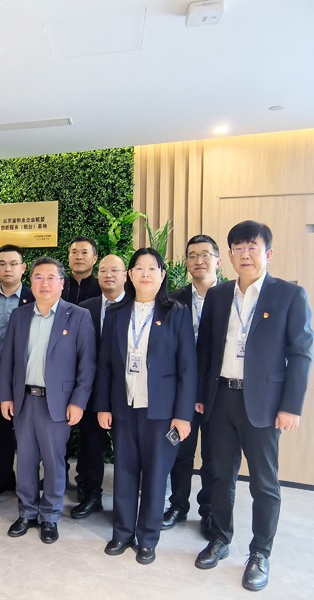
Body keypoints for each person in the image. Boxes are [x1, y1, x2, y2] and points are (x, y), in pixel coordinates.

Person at [194, 221, 313, 592]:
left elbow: (301, 353)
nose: (245, 255)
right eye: (238, 248)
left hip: (263, 403)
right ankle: (220, 537)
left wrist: (291, 406)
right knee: (218, 474)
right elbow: (205, 350)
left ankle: (260, 552)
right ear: (229, 255)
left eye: (252, 247)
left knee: (264, 482)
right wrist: (200, 394)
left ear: (268, 253)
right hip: (221, 398)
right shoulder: (218, 295)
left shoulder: (289, 295)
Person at [95, 247, 196, 565]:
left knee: (155, 475)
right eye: (139, 268)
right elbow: (105, 364)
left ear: (162, 275)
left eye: (152, 268)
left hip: (161, 412)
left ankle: (148, 539)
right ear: (130, 274)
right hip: (124, 406)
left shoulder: (177, 312)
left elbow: (188, 368)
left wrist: (183, 415)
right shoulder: (116, 313)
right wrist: (103, 405)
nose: (146, 274)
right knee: (124, 473)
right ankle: (122, 533)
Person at [0, 257, 96, 543]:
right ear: (31, 282)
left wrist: (78, 401)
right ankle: (27, 512)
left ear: (62, 283)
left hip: (57, 404)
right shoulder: (20, 315)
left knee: (54, 463)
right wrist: (5, 396)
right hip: (24, 400)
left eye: (51, 277)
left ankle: (50, 516)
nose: (44, 283)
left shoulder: (77, 316)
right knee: (26, 461)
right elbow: (8, 361)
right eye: (38, 277)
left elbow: (87, 364)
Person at [161, 235, 221, 535]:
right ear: (186, 262)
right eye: (193, 255)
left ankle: (208, 510)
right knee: (180, 452)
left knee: (213, 456)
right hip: (181, 391)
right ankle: (178, 505)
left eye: (205, 254)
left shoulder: (229, 297)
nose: (199, 260)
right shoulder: (173, 300)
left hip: (217, 392)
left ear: (217, 261)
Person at [71, 254, 127, 519]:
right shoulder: (85, 308)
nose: (108, 275)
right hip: (93, 389)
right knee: (91, 445)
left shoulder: (137, 305)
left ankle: (126, 503)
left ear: (125, 275)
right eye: (103, 271)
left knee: (127, 448)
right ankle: (91, 495)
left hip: (128, 390)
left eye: (114, 270)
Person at [0, 245, 34, 498]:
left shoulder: (35, 297)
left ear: (23, 268)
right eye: (2, 263)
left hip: (28, 374)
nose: (8, 268)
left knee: (28, 430)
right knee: (1, 428)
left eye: (13, 263)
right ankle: (3, 477)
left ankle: (28, 481)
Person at [62, 236, 101, 305]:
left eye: (84, 252)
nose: (79, 257)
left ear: (95, 259)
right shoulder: (58, 285)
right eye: (74, 252)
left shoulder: (102, 288)